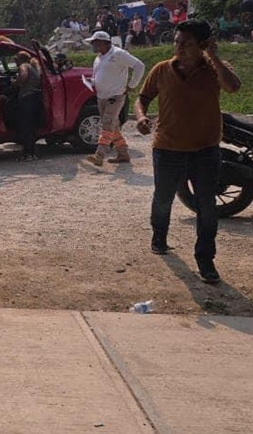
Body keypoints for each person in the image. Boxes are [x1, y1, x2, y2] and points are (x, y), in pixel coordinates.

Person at [135, 20, 241, 284]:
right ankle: (159, 235)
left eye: (187, 44)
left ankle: (205, 259)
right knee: (163, 199)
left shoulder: (213, 70)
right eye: (177, 42)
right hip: (167, 148)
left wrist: (214, 56)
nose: (179, 48)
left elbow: (233, 87)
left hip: (205, 150)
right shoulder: (162, 69)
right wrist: (140, 117)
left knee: (206, 205)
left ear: (202, 46)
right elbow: (143, 97)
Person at [83, 31, 146, 166]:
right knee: (113, 126)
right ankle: (123, 154)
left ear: (103, 42)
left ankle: (99, 154)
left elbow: (139, 66)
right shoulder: (98, 58)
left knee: (107, 123)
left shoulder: (118, 54)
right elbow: (97, 77)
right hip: (101, 96)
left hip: (115, 96)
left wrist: (132, 85)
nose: (92, 45)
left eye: (94, 42)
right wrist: (91, 81)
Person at [13, 52, 42, 162]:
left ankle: (27, 154)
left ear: (20, 59)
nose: (15, 61)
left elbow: (23, 76)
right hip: (34, 99)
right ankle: (32, 153)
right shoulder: (34, 68)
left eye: (16, 59)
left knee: (25, 127)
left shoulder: (24, 66)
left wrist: (15, 83)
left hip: (27, 99)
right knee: (31, 127)